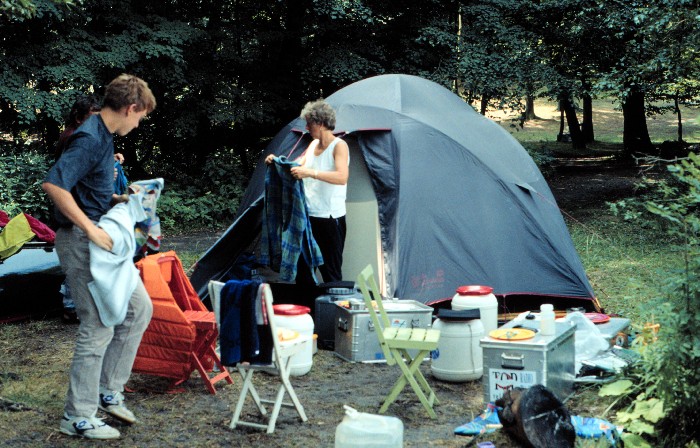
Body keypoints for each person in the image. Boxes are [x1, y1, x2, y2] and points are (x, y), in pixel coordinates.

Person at [43, 74, 156, 440]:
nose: (138, 125)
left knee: (138, 309)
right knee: (99, 325)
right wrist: (91, 230)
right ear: (130, 108)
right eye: (140, 117)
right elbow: (54, 184)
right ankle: (78, 416)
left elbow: (88, 190)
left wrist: (125, 199)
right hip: (82, 241)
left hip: (103, 240)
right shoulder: (90, 137)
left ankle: (108, 391)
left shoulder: (105, 137)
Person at [265, 99, 349, 283]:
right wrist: (276, 161)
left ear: (321, 123)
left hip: (329, 218)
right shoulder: (312, 145)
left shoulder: (339, 146)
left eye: (309, 123)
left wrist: (310, 173)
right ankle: (306, 301)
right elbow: (296, 166)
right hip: (307, 217)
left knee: (331, 272)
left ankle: (333, 302)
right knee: (303, 271)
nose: (307, 127)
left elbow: (342, 177)